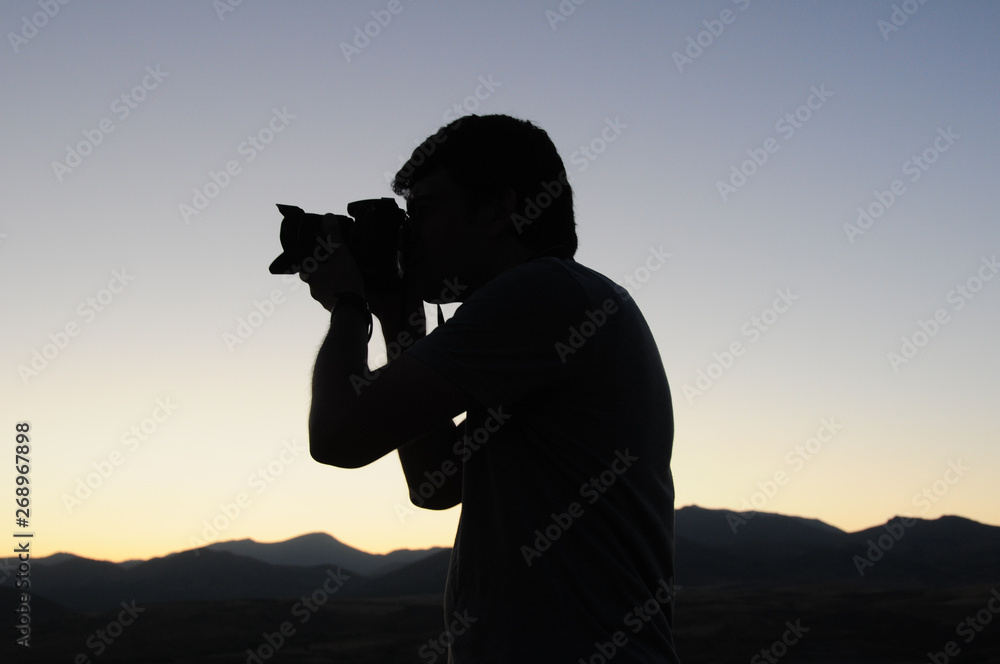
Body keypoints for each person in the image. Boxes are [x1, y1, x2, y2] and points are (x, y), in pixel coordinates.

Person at [302, 114, 680, 663]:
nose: (411, 235)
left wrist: (346, 304)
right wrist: (400, 317)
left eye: (425, 211)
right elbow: (436, 484)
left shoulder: (544, 292)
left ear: (501, 212)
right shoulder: (546, 308)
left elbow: (338, 437)